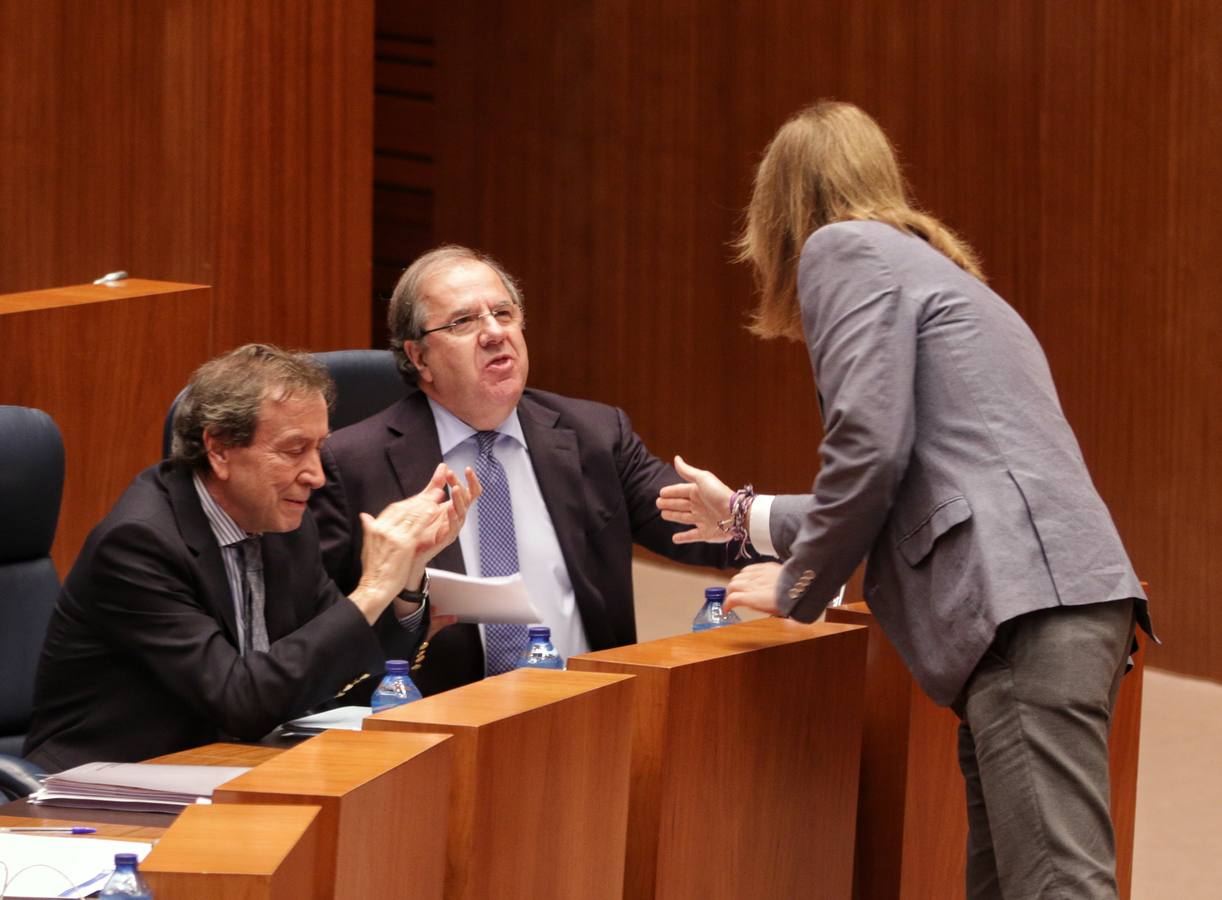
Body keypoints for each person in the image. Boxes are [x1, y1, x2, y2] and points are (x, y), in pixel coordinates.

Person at [656, 101, 1153, 899]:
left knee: (1062, 890)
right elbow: (928, 478)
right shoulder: (937, 272)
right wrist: (744, 514)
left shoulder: (841, 250)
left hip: (1017, 609)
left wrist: (801, 588)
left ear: (778, 208)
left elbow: (870, 450)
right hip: (1048, 600)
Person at [309, 245, 742, 695]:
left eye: (503, 312)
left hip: (588, 711)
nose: (494, 333)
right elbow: (319, 634)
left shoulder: (593, 435)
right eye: (464, 322)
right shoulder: (352, 464)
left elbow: (704, 527)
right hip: (437, 734)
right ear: (419, 358)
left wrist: (770, 528)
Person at [24, 344, 479, 770]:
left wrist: (405, 578)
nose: (317, 476)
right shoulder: (138, 545)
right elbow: (241, 701)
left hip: (227, 768)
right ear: (219, 449)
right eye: (294, 450)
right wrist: (373, 587)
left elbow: (346, 667)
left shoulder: (283, 521)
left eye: (319, 448)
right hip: (105, 785)